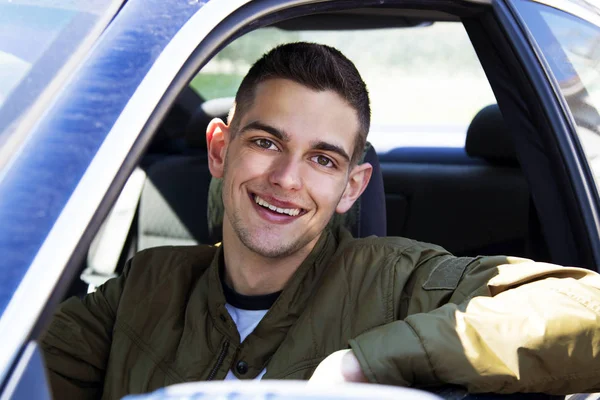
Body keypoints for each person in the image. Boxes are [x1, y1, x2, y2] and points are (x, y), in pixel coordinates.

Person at [42, 42, 600, 399]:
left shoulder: (397, 281)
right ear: (219, 150)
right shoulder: (139, 290)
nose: (287, 178)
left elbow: (588, 311)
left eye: (322, 159)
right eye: (266, 142)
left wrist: (362, 367)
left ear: (350, 188)